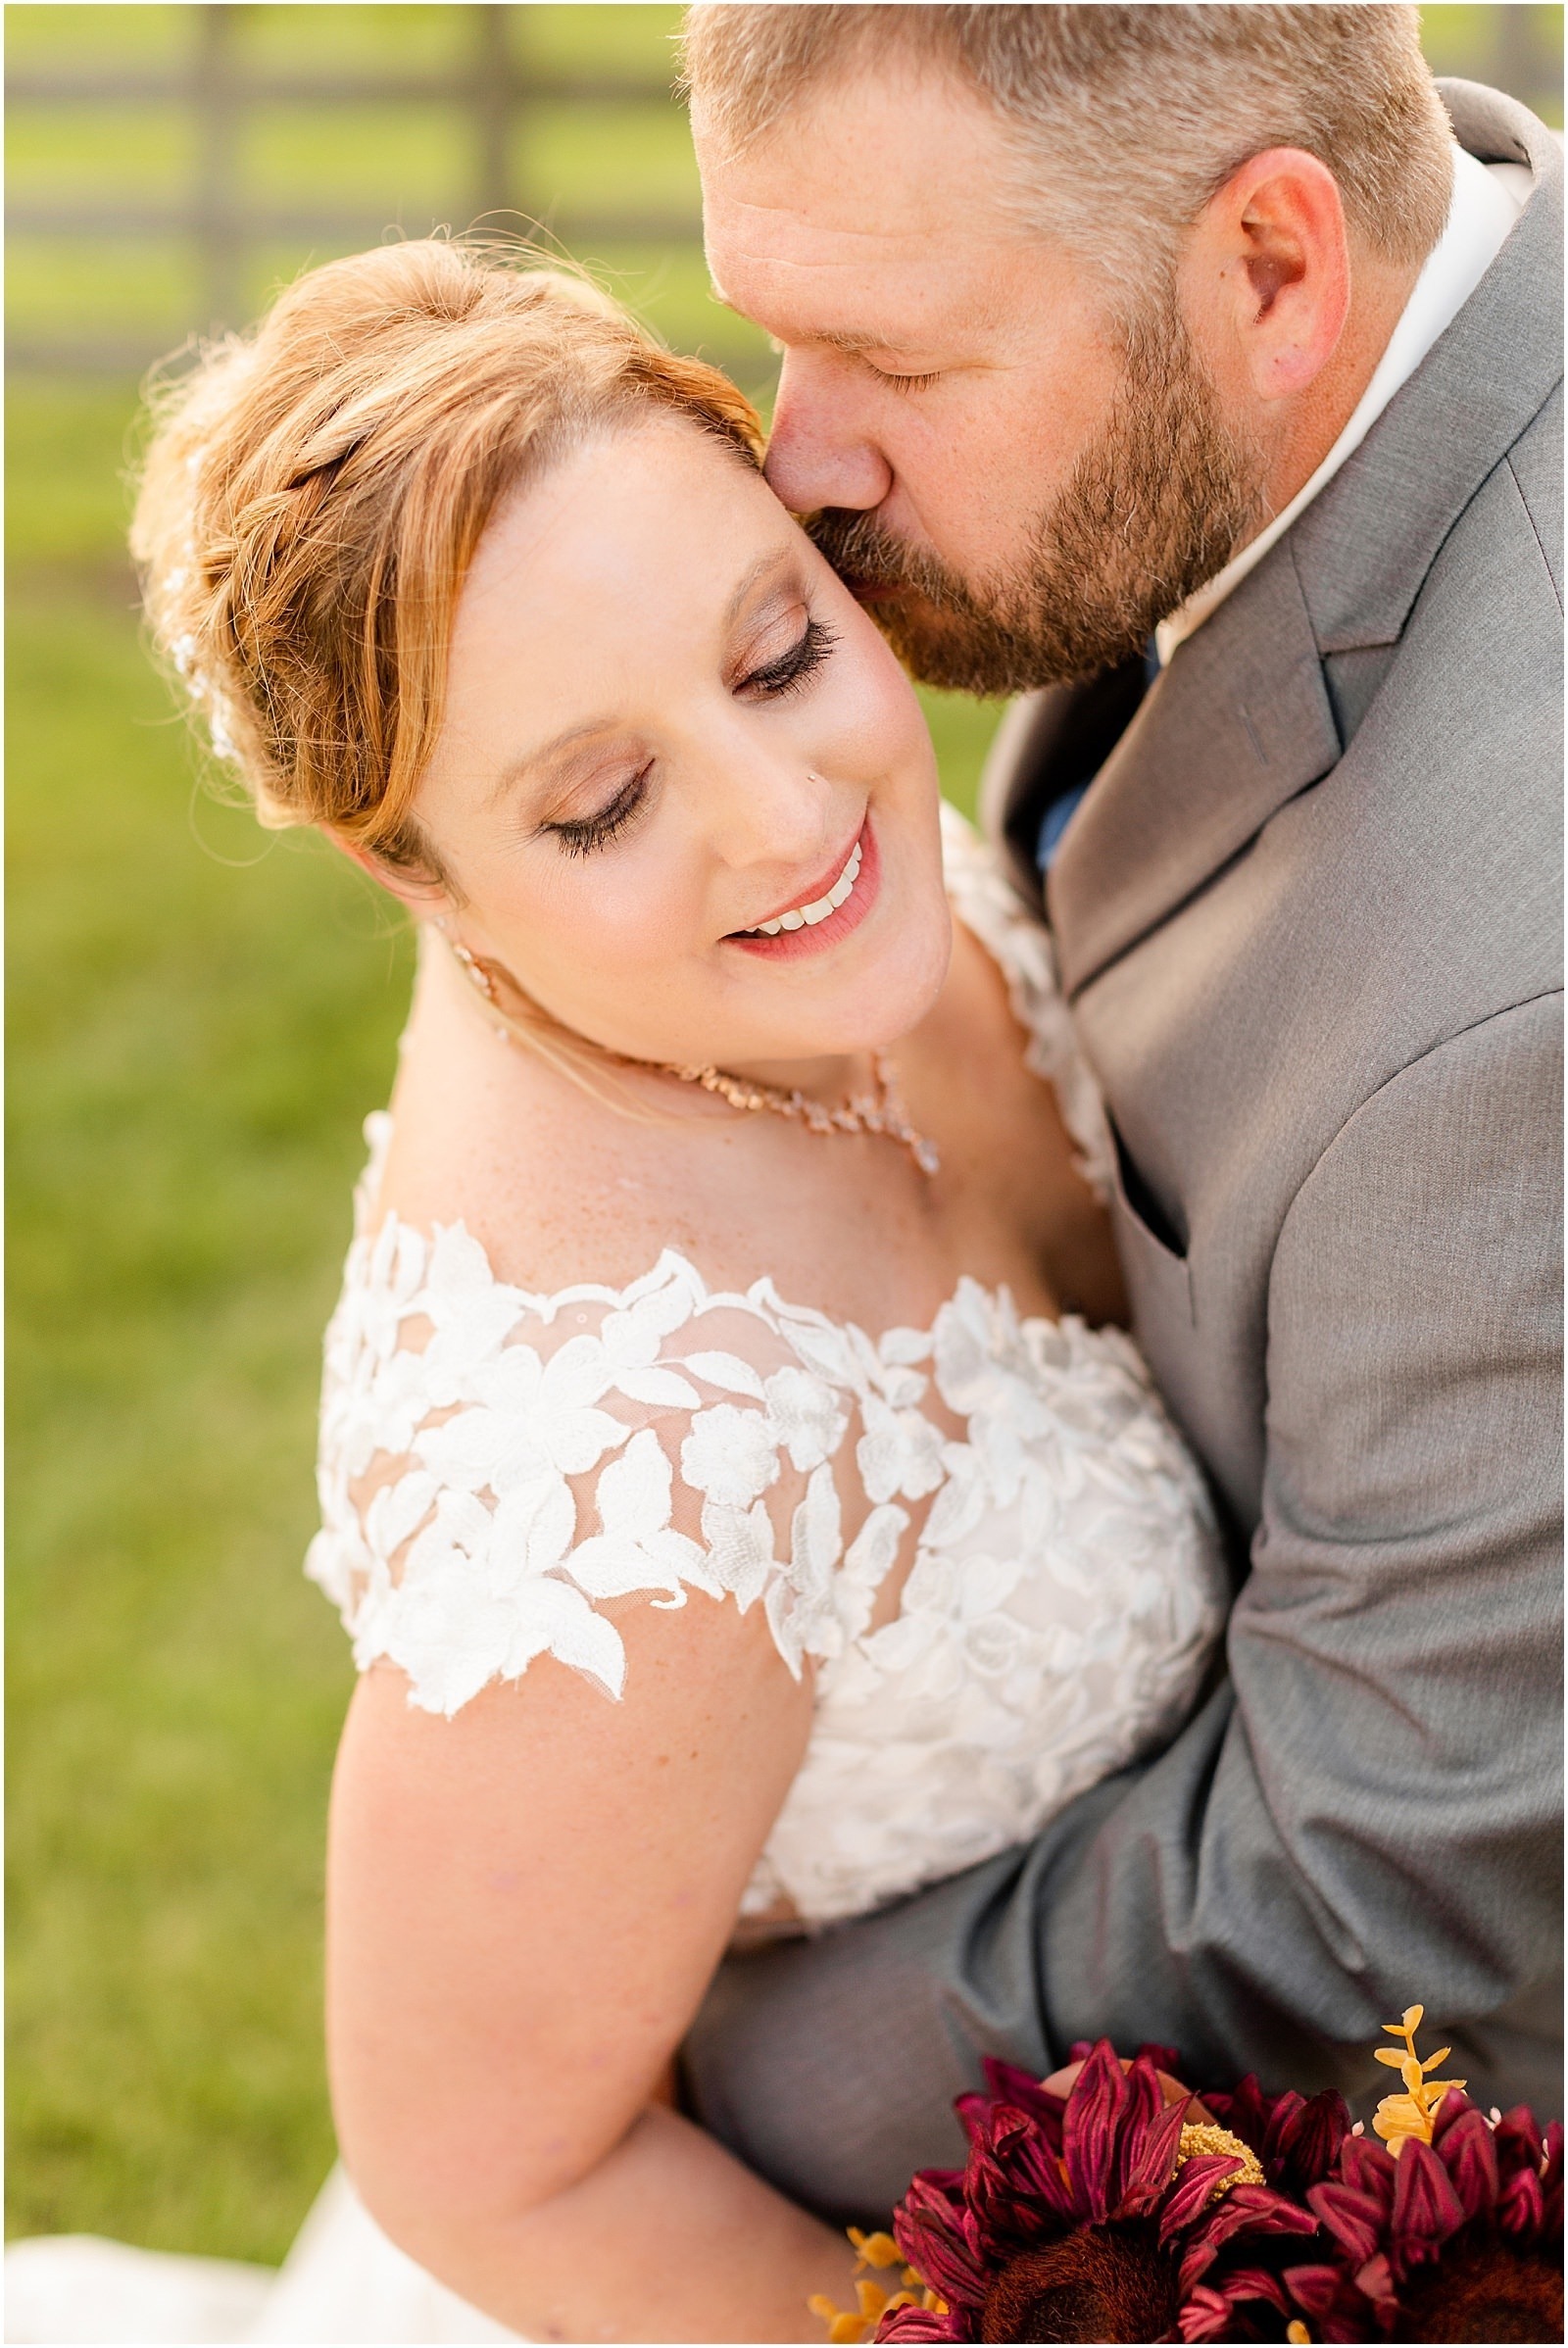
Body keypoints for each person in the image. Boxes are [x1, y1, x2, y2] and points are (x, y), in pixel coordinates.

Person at [7, 238, 1231, 2342]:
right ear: (416, 876)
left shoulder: (822, 897)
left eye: (773, 654)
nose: (784, 820)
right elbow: (495, 2166)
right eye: (599, 802)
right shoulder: (608, 1457)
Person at [677, 0, 1564, 2225]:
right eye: (770, 335)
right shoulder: (1344, 402)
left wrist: (670, 2036)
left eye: (896, 357)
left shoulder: (1514, 978)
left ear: (1270, 268)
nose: (801, 464)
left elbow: (1378, 1908)